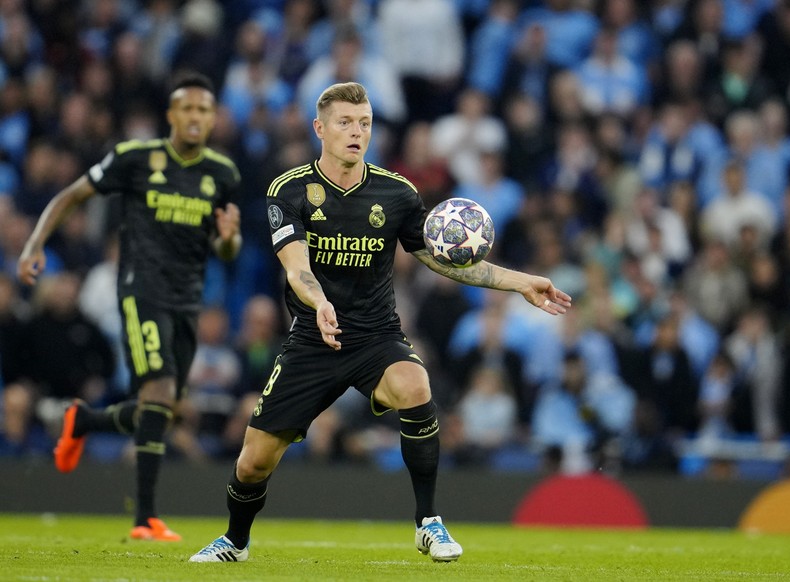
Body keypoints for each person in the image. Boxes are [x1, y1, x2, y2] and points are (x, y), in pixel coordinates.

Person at [190, 81, 571, 564]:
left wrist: (519, 282)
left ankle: (428, 522)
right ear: (320, 128)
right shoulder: (288, 190)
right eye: (345, 123)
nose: (357, 132)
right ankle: (235, 541)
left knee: (416, 385)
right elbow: (296, 264)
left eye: (365, 123)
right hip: (313, 337)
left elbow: (440, 259)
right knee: (253, 461)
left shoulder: (397, 193)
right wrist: (319, 302)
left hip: (376, 335)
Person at [16, 72, 242, 542]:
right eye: (188, 108)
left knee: (166, 407)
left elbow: (226, 250)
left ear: (213, 117)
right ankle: (145, 519)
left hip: (187, 298)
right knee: (158, 390)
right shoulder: (135, 158)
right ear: (172, 115)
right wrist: (36, 242)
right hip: (142, 291)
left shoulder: (223, 173)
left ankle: (85, 420)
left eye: (205, 109)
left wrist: (230, 239)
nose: (197, 117)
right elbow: (72, 194)